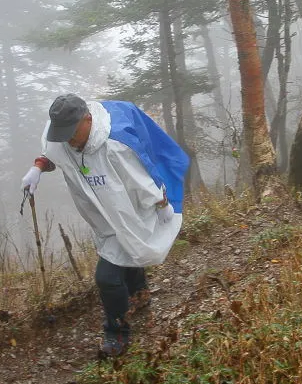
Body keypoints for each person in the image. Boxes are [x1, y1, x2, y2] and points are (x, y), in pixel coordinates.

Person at [21, 94, 188, 358]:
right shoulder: (62, 135)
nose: (68, 140)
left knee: (107, 277)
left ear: (88, 119)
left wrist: (161, 204)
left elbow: (142, 178)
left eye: (72, 133)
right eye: (62, 134)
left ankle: (116, 332)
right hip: (101, 213)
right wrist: (38, 168)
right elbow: (55, 154)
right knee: (125, 253)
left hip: (131, 212)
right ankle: (139, 293)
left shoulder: (115, 145)